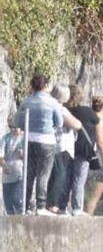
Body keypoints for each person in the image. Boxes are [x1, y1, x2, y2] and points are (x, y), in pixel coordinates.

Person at [15, 75, 64, 215]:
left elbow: (18, 121)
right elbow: (59, 123)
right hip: (47, 141)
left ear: (32, 86)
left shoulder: (26, 102)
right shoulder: (52, 102)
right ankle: (41, 206)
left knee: (29, 173)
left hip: (29, 140)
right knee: (43, 174)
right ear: (45, 86)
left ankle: (25, 206)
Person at [62, 85, 99, 216]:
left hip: (66, 149)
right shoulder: (87, 111)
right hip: (83, 150)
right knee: (79, 179)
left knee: (66, 178)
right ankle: (77, 208)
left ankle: (62, 207)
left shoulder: (65, 110)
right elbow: (96, 119)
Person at [47, 84, 83, 214]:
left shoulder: (52, 107)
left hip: (58, 145)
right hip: (61, 146)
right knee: (59, 175)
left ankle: (53, 204)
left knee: (56, 175)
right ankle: (52, 204)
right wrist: (76, 122)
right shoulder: (59, 109)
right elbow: (76, 124)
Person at [84, 96, 103, 215]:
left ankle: (85, 213)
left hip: (86, 153)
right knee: (96, 192)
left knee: (86, 190)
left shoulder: (87, 116)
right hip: (98, 156)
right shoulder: (101, 117)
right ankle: (89, 214)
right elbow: (100, 140)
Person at [0, 118, 25, 214]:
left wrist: (23, 154)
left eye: (16, 127)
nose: (14, 129)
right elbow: (1, 156)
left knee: (17, 200)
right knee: (8, 203)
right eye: (11, 127)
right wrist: (4, 166)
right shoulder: (6, 138)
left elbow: (31, 158)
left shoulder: (24, 138)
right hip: (7, 175)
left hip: (20, 174)